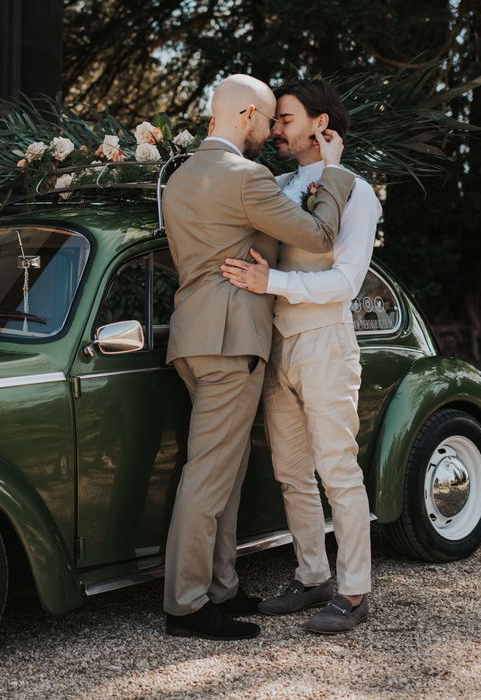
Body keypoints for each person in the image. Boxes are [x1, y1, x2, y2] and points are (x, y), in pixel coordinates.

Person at [163, 73, 355, 641]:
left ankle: (221, 587)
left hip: (193, 339)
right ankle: (187, 605)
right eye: (268, 119)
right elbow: (319, 237)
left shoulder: (178, 179)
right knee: (209, 472)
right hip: (232, 340)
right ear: (245, 115)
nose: (271, 131)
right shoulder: (247, 179)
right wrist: (336, 172)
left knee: (226, 467)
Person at [221, 78, 381, 634]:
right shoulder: (278, 184)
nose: (277, 130)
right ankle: (313, 575)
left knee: (337, 469)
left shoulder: (358, 192)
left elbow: (345, 282)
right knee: (290, 472)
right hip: (276, 342)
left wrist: (273, 283)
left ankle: (355, 590)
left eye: (286, 119)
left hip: (324, 341)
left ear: (321, 125)